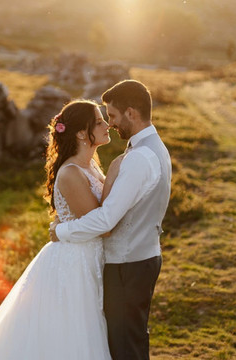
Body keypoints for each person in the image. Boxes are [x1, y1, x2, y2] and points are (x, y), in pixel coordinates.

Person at [0, 99, 117, 360]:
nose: (107, 125)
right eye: (100, 121)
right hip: (75, 264)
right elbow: (100, 224)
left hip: (90, 257)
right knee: (72, 334)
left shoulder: (89, 165)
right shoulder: (70, 173)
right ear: (81, 133)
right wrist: (118, 172)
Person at [50, 79, 172, 360]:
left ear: (131, 113)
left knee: (126, 346)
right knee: (127, 340)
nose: (111, 124)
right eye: (104, 119)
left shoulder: (139, 157)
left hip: (127, 265)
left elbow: (105, 221)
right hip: (135, 259)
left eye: (113, 117)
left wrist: (61, 231)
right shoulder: (152, 148)